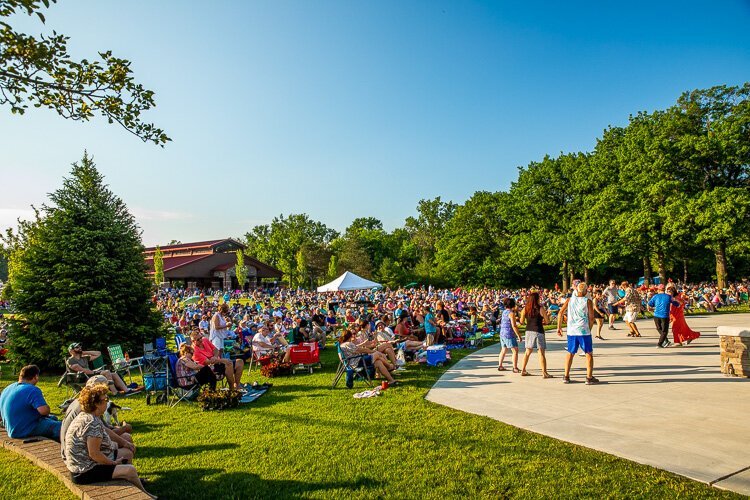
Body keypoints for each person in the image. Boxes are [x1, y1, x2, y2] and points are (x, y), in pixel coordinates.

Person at [63, 385, 155, 498]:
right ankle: (146, 495)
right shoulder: (92, 423)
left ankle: (130, 485)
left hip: (81, 465)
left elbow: (105, 431)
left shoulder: (87, 415)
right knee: (130, 470)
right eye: (105, 399)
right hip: (84, 471)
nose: (107, 402)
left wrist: (125, 443)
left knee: (126, 453)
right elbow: (94, 454)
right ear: (96, 404)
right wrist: (112, 463)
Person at [60, 376, 134, 461]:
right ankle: (121, 470)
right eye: (104, 394)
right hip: (78, 456)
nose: (107, 392)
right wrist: (125, 429)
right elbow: (103, 432)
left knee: (124, 438)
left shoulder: (82, 402)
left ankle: (121, 468)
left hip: (72, 449)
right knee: (126, 446)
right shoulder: (88, 411)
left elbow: (104, 429)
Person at [0, 364, 61, 440]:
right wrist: (47, 408)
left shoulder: (8, 388)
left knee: (53, 418)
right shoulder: (32, 389)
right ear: (35, 377)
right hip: (24, 429)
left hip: (11, 427)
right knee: (60, 426)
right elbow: (44, 411)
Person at [557, 282, 598, 384]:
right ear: (584, 291)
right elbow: (591, 318)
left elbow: (560, 312)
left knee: (570, 353)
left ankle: (566, 376)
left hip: (572, 331)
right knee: (588, 353)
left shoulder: (569, 300)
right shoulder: (587, 301)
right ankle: (589, 377)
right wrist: (589, 328)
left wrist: (559, 327)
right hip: (583, 330)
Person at [66, 343, 132, 395]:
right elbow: (83, 371)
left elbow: (98, 354)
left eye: (80, 347)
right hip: (82, 378)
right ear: (71, 351)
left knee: (114, 374)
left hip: (89, 375)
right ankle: (115, 392)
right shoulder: (70, 360)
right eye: (77, 347)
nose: (80, 348)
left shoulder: (84, 358)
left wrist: (84, 352)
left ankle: (126, 390)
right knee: (106, 372)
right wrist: (96, 372)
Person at [519, 292, 552, 378]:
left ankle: (523, 370)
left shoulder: (525, 309)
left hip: (529, 331)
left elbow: (521, 321)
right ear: (537, 299)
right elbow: (547, 321)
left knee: (527, 352)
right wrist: (547, 315)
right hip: (538, 330)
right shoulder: (540, 308)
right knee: (541, 352)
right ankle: (544, 373)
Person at [648, 284, 680, 348]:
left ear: (658, 290)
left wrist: (656, 304)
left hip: (656, 315)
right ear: (664, 289)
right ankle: (660, 343)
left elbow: (650, 304)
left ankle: (664, 341)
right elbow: (676, 303)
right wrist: (677, 304)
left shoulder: (655, 296)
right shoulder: (668, 296)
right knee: (664, 331)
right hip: (665, 316)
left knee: (659, 328)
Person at [497, 298, 522, 373]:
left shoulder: (504, 312)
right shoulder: (511, 313)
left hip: (502, 333)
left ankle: (500, 365)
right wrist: (519, 335)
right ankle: (515, 368)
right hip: (509, 334)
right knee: (515, 350)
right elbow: (514, 325)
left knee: (503, 349)